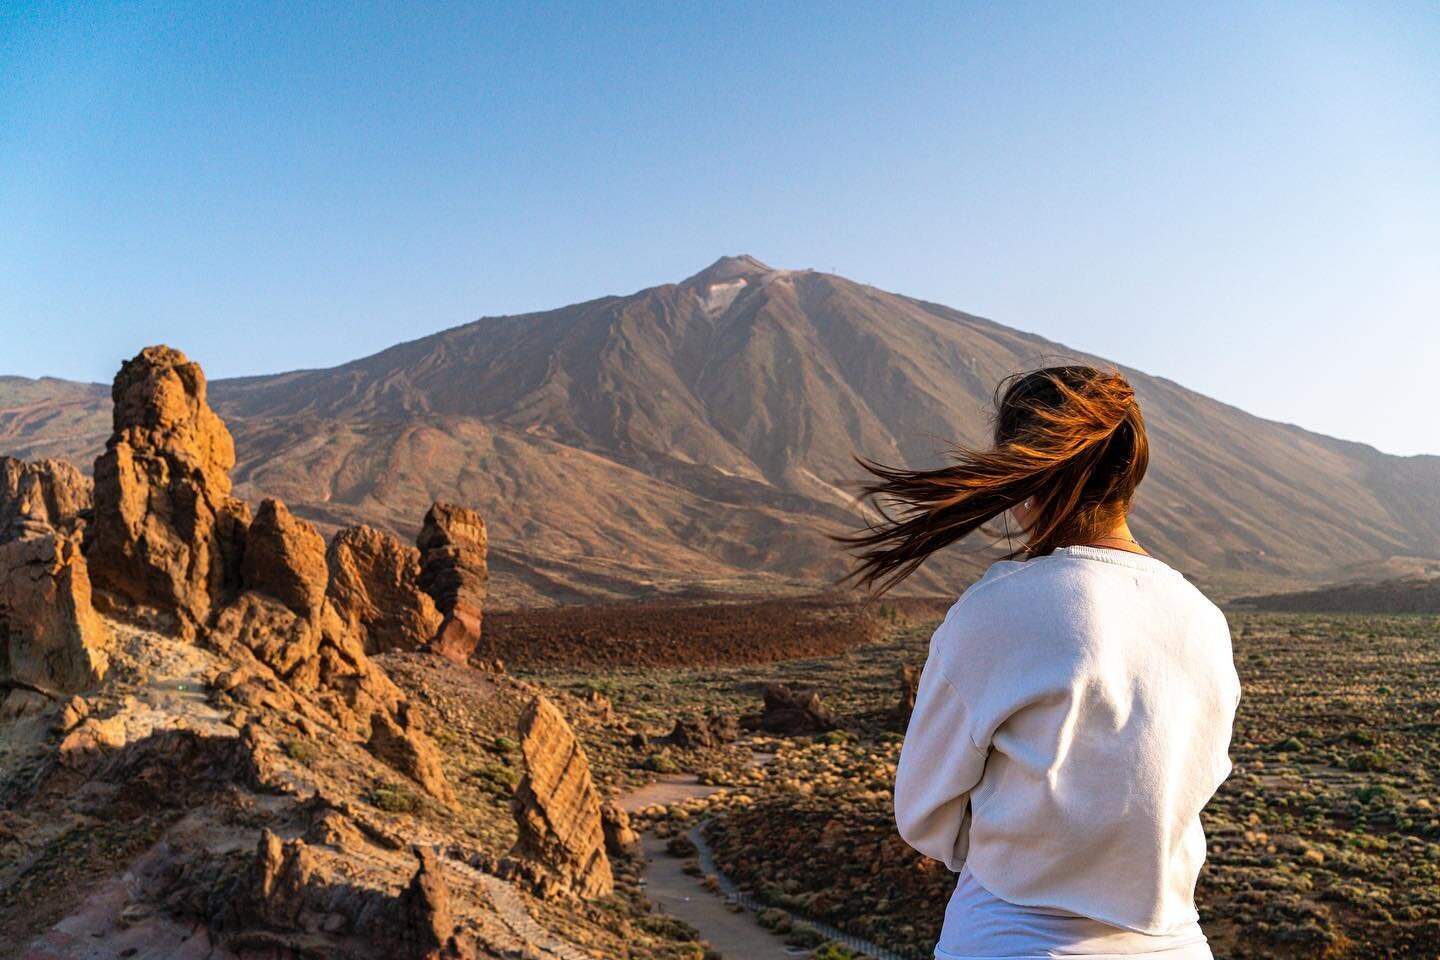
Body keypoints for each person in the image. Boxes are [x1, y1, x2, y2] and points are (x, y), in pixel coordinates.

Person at [841, 365, 1240, 960]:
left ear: (1018, 473)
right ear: (1132, 469)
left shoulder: (998, 609)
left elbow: (923, 812)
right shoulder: (1203, 619)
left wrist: (1021, 845)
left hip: (1009, 939)